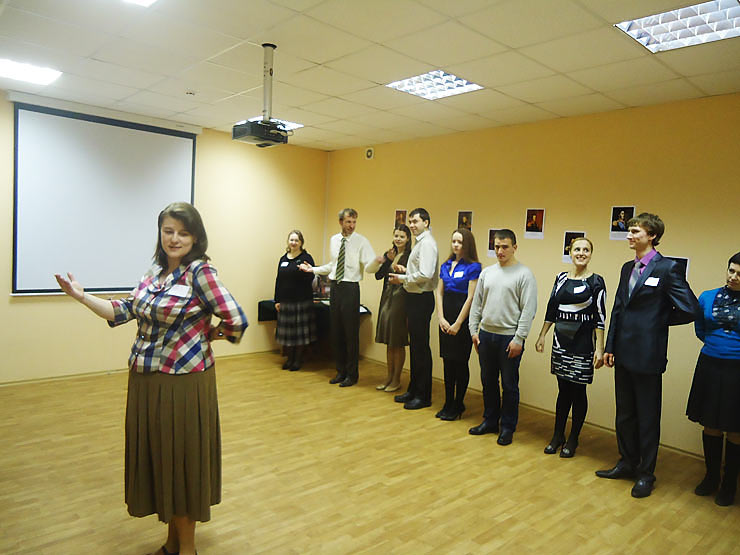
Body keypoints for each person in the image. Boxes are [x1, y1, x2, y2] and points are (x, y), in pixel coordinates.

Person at [54, 202, 247, 555]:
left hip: (183, 382)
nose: (174, 238)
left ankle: (186, 549)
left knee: (182, 463)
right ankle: (172, 544)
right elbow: (124, 310)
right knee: (163, 460)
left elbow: (235, 318)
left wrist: (206, 335)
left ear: (196, 237)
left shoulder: (200, 273)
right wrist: (82, 297)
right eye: (168, 231)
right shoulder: (154, 272)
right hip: (146, 379)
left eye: (183, 233)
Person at [597, 212, 699, 498]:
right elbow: (618, 308)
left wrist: (657, 320)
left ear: (652, 235)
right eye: (629, 231)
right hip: (623, 352)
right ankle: (627, 462)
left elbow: (690, 309)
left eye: (635, 231)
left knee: (647, 417)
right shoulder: (626, 268)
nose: (629, 236)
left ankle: (646, 473)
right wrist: (610, 346)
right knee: (625, 414)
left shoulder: (667, 268)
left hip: (648, 355)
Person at [534, 237, 606, 457]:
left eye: (586, 250)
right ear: (570, 252)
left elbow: (600, 317)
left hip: (583, 345)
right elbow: (552, 308)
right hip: (560, 342)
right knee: (563, 390)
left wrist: (600, 348)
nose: (581, 253)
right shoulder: (561, 278)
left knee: (578, 391)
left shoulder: (596, 281)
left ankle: (573, 438)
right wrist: (542, 335)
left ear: (591, 254)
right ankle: (558, 435)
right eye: (577, 249)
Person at [468, 229, 537, 445]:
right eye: (496, 246)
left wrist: (519, 338)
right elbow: (477, 304)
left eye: (505, 246)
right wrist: (473, 331)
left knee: (509, 384)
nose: (500, 251)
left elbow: (528, 310)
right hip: (486, 335)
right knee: (488, 381)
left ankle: (507, 427)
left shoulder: (524, 274)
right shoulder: (487, 273)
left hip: (509, 338)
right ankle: (490, 421)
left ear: (514, 247)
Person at [300, 208, 378, 387]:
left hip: (350, 288)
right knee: (336, 332)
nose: (351, 226)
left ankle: (352, 374)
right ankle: (340, 371)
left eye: (354, 222)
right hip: (335, 287)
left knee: (350, 333)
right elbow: (333, 266)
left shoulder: (361, 241)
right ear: (341, 222)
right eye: (348, 222)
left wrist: (377, 263)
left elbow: (369, 266)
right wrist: (313, 269)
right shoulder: (334, 240)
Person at [686, 252, 740, 506]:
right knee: (710, 423)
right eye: (731, 271)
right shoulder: (707, 297)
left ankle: (729, 485)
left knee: (735, 428)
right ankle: (711, 478)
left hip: (737, 369)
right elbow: (700, 329)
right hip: (709, 364)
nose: (734, 277)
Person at [390, 208, 439, 410]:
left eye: (415, 221)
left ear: (426, 223)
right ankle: (413, 389)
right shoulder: (420, 242)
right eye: (410, 221)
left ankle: (423, 395)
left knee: (421, 349)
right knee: (416, 348)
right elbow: (418, 271)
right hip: (413, 297)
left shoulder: (427, 243)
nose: (411, 225)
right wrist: (406, 272)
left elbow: (426, 274)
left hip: (421, 299)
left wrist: (402, 278)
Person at [435, 228, 481, 421]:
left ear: (467, 244)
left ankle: (458, 403)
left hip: (462, 319)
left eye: (460, 242)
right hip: (446, 317)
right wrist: (441, 318)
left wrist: (458, 323)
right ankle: (448, 402)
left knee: (460, 362)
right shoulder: (446, 265)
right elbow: (439, 293)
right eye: (454, 241)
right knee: (447, 362)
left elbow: (471, 297)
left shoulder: (473, 267)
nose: (456, 245)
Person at [374, 224, 412, 392]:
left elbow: (414, 277)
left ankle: (397, 379)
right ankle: (389, 377)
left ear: (408, 239)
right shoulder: (389, 254)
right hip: (387, 298)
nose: (398, 239)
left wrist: (404, 271)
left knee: (397, 340)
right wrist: (388, 260)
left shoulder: (411, 256)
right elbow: (378, 275)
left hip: (401, 298)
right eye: (396, 235)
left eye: (402, 236)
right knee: (389, 341)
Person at [274, 230, 316, 371]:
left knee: (299, 334)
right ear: (288, 242)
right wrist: (277, 300)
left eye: (296, 240)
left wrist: (305, 271)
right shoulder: (283, 259)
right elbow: (279, 280)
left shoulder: (306, 258)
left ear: (301, 243)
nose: (293, 243)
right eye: (291, 240)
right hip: (286, 301)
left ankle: (297, 360)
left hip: (301, 301)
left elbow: (311, 277)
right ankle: (289, 359)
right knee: (288, 334)